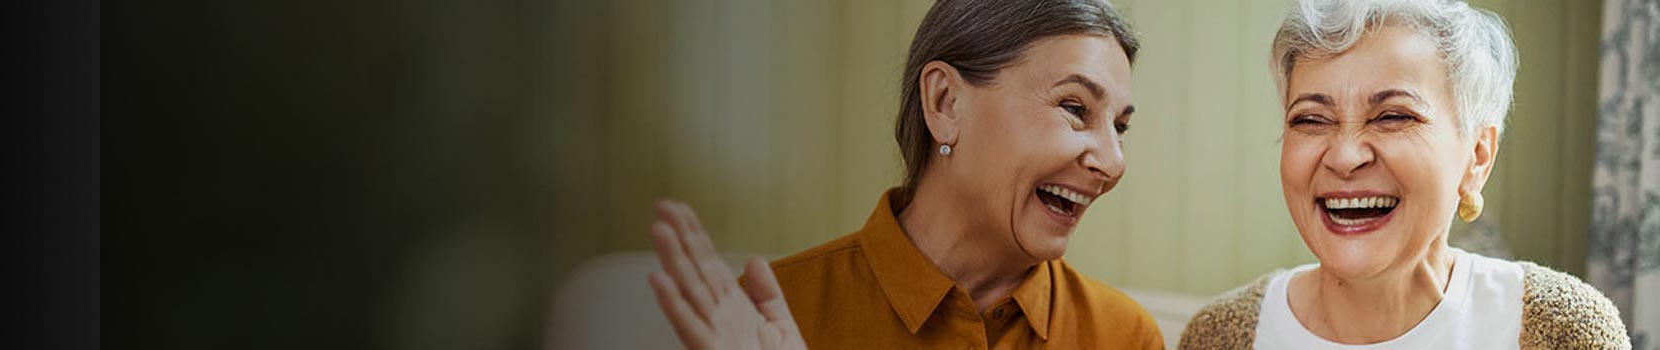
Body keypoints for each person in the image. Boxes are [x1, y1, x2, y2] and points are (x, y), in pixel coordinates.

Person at [643, 0, 1165, 348]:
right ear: (945, 101)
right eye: (1074, 107)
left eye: (1119, 126)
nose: (1113, 162)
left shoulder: (1123, 335)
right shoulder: (771, 315)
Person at [1178, 0, 1630, 349]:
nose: (1345, 155)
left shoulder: (1559, 330)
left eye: (1393, 116)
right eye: (1311, 120)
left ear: (1477, 156)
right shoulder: (1221, 335)